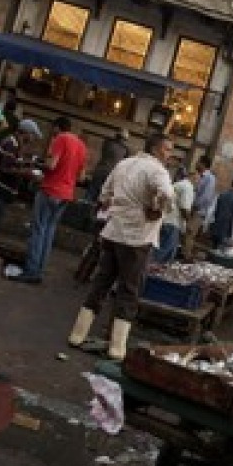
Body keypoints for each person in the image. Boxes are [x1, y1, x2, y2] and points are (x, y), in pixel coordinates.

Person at [67, 134, 175, 361]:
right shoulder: (157, 171)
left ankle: (77, 335)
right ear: (156, 149)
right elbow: (167, 195)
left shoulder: (123, 164)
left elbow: (104, 195)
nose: (169, 155)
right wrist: (157, 208)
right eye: (167, 150)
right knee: (129, 290)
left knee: (102, 282)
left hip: (113, 231)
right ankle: (117, 348)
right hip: (137, 237)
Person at [11, 116, 87, 284]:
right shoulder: (82, 145)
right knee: (49, 231)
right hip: (66, 194)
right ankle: (39, 270)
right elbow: (81, 177)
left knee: (38, 229)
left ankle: (31, 271)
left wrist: (38, 165)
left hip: (50, 190)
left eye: (53, 129)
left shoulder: (60, 138)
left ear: (57, 127)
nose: (52, 133)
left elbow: (52, 165)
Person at [0, 120, 43, 243]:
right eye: (32, 135)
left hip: (3, 191)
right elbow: (7, 168)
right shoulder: (10, 143)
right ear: (26, 132)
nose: (33, 138)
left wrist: (29, 165)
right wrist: (27, 173)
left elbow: (15, 163)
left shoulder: (16, 145)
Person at [153, 165, 194, 265]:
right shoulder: (188, 187)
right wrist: (189, 224)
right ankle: (152, 272)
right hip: (173, 223)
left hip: (165, 220)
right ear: (194, 177)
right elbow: (184, 208)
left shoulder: (177, 184)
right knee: (165, 252)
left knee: (160, 248)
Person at [88, 128, 130, 204]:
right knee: (101, 198)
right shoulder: (125, 149)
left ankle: (82, 211)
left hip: (101, 172)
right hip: (110, 176)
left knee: (91, 194)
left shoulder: (108, 142)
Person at [187, 156, 216, 256]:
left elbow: (206, 197)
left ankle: (186, 256)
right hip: (193, 209)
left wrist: (194, 206)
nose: (196, 164)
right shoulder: (200, 176)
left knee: (190, 233)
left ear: (203, 164)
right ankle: (186, 254)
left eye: (198, 162)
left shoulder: (210, 178)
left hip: (198, 211)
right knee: (188, 233)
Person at [207, 177, 233, 251]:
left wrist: (208, 224)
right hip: (227, 230)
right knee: (220, 253)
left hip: (216, 226)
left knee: (213, 249)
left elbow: (212, 211)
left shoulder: (221, 194)